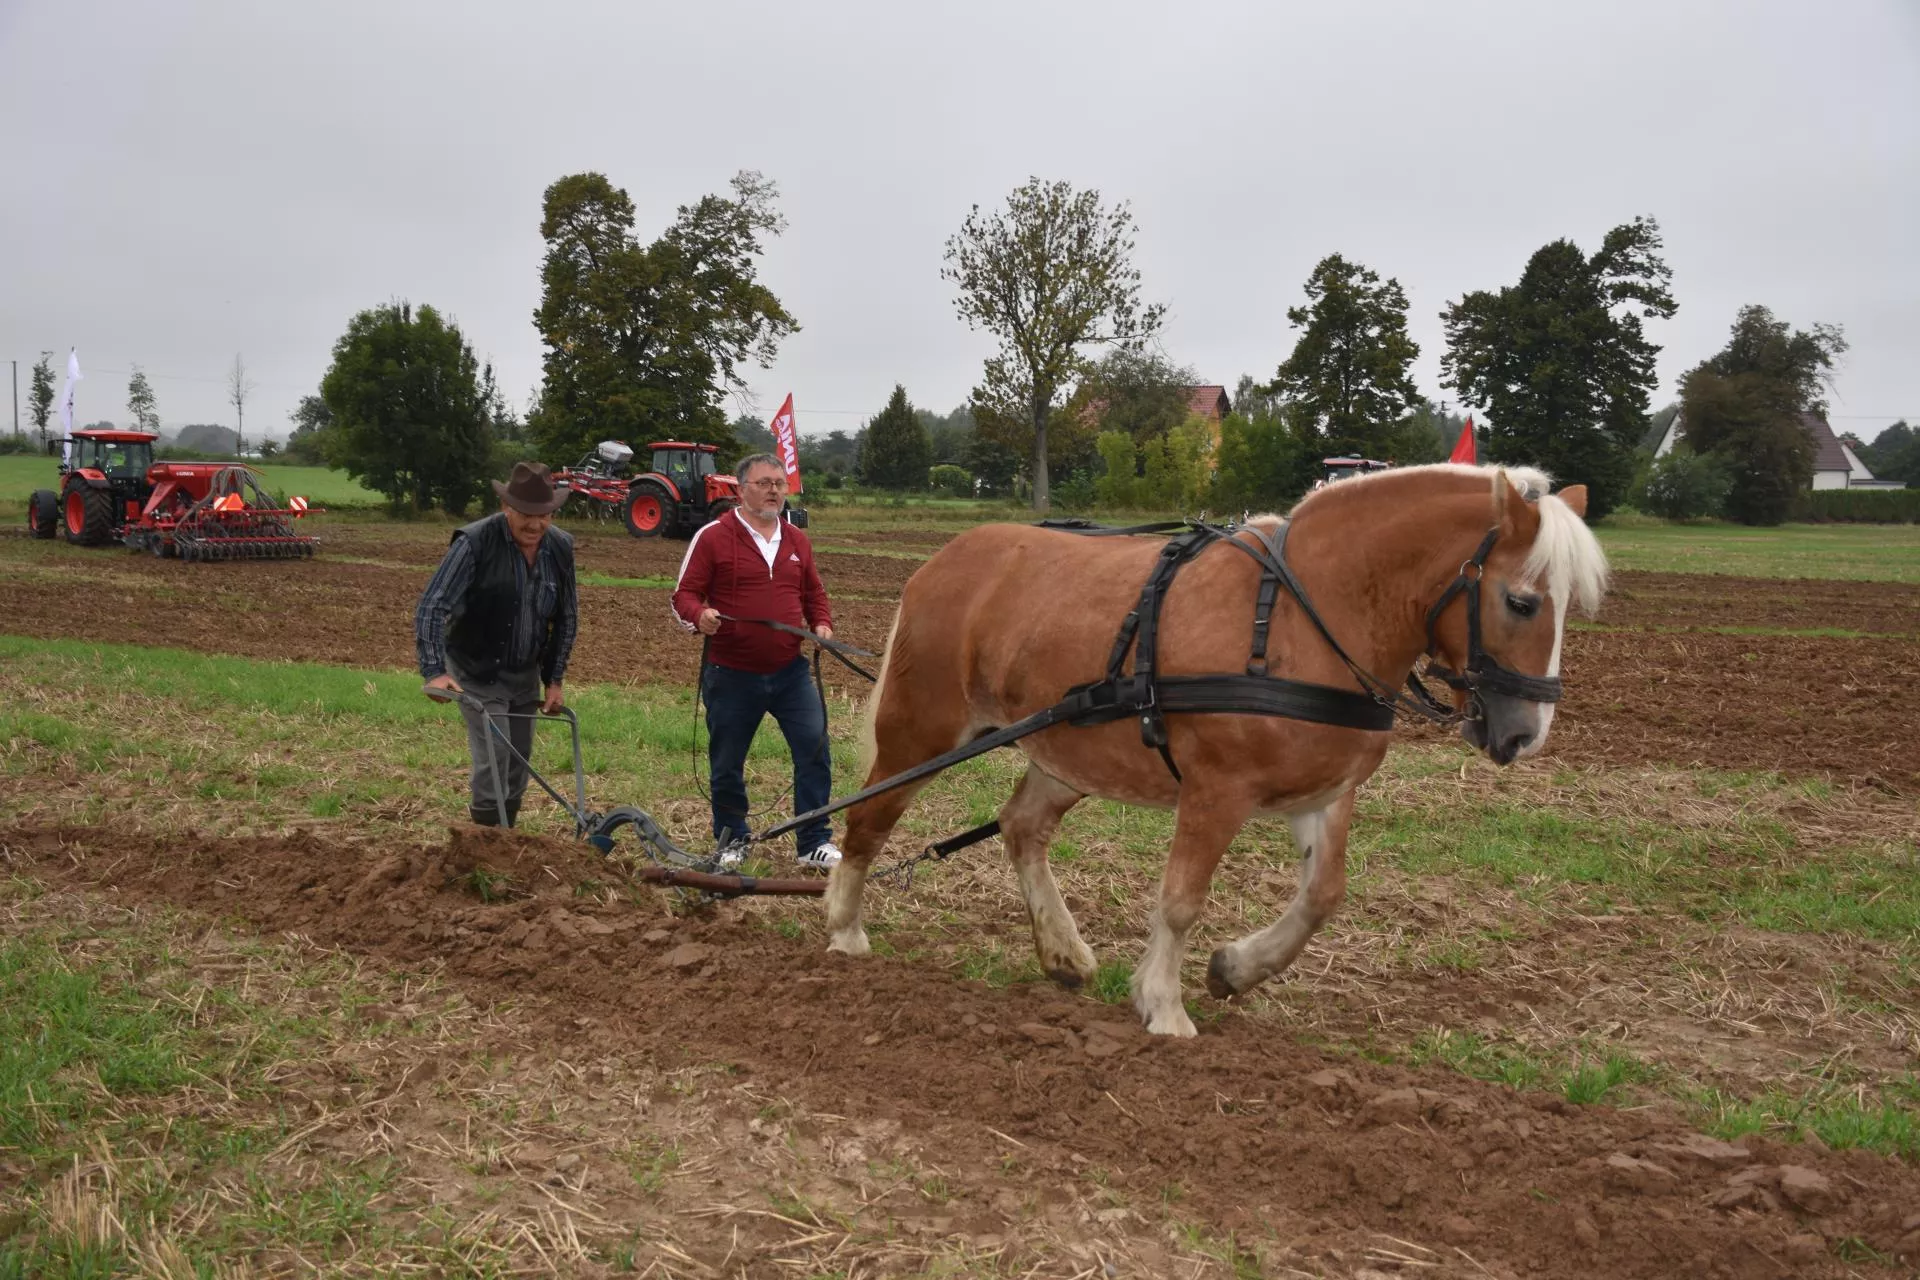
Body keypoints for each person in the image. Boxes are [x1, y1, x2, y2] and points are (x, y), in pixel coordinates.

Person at [671, 453, 841, 869]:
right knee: (727, 762)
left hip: (789, 672)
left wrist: (821, 624)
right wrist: (700, 616)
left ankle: (813, 841)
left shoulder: (797, 540)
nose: (774, 491)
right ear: (741, 489)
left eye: (779, 484)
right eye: (764, 483)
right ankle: (732, 840)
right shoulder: (712, 537)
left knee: (814, 748)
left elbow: (814, 595)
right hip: (731, 674)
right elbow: (683, 596)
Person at [415, 461, 578, 828]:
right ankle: (486, 844)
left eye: (545, 515)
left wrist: (554, 679)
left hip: (525, 671)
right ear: (507, 507)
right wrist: (434, 671)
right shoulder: (474, 543)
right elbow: (432, 604)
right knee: (495, 754)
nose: (535, 524)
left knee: (520, 759)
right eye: (525, 514)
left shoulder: (560, 547)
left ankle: (505, 837)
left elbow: (566, 617)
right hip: (477, 669)